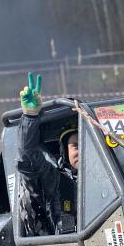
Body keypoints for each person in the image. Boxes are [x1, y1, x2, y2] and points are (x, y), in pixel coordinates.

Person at [17, 73, 77, 236]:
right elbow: (28, 155)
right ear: (65, 151)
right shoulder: (55, 177)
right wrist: (29, 116)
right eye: (75, 146)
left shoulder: (108, 174)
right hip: (69, 244)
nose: (81, 152)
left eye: (86, 146)